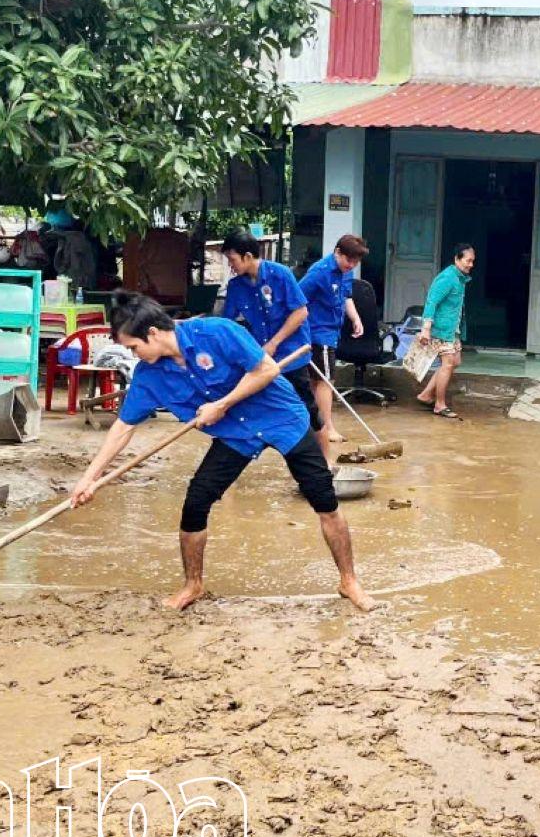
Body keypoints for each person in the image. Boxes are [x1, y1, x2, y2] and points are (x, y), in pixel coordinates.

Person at [69, 293, 375, 612]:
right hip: (236, 435)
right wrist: (89, 479)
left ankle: (349, 581)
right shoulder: (149, 376)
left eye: (134, 347)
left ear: (153, 333)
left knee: (324, 499)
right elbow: (123, 427)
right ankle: (193, 585)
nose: (135, 355)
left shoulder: (217, 332)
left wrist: (222, 404)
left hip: (281, 418)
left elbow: (267, 369)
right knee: (196, 501)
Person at [219, 229, 324, 450]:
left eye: (232, 259)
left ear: (248, 256)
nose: (230, 265)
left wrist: (274, 343)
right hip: (262, 361)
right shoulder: (236, 286)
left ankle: (324, 460)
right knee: (260, 409)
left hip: (291, 355)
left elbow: (300, 313)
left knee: (308, 410)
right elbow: (226, 325)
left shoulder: (280, 275)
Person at [298, 234, 367, 451]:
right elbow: (297, 298)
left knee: (318, 381)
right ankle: (327, 428)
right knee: (326, 381)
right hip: (318, 333)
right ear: (338, 252)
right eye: (349, 260)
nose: (352, 265)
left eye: (356, 262)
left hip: (332, 331)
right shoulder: (319, 272)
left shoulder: (346, 271)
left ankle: (315, 425)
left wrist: (355, 318)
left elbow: (346, 297)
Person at [416, 243, 475, 419]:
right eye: (468, 261)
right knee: (447, 363)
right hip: (441, 330)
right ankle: (439, 405)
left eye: (473, 261)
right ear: (457, 259)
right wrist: (426, 329)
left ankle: (426, 394)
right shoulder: (448, 278)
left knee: (455, 361)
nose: (471, 264)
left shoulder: (459, 279)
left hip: (452, 330)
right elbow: (431, 301)